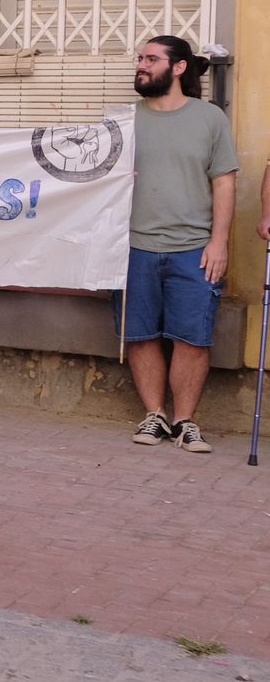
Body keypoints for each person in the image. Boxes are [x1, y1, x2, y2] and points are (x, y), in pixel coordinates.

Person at [121, 36, 237, 454]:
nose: (141, 65)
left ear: (179, 67)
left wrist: (219, 243)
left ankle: (185, 421)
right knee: (141, 334)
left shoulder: (209, 119)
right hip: (134, 246)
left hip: (194, 248)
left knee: (192, 337)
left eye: (151, 59)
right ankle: (155, 414)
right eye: (140, 58)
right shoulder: (122, 122)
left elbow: (224, 182)